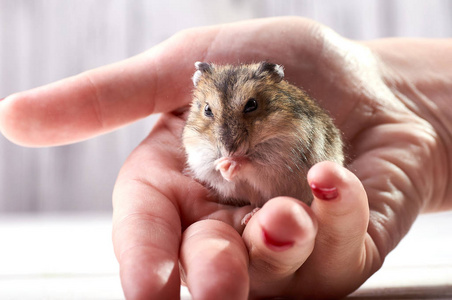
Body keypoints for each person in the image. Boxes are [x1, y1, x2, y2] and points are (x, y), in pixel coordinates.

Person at [0, 17, 451, 299]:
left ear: (274, 93)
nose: (227, 134)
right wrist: (231, 173)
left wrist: (251, 164)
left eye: (251, 109)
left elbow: (291, 175)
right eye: (213, 114)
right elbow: (204, 169)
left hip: (296, 186)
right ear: (201, 107)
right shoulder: (201, 131)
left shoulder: (298, 122)